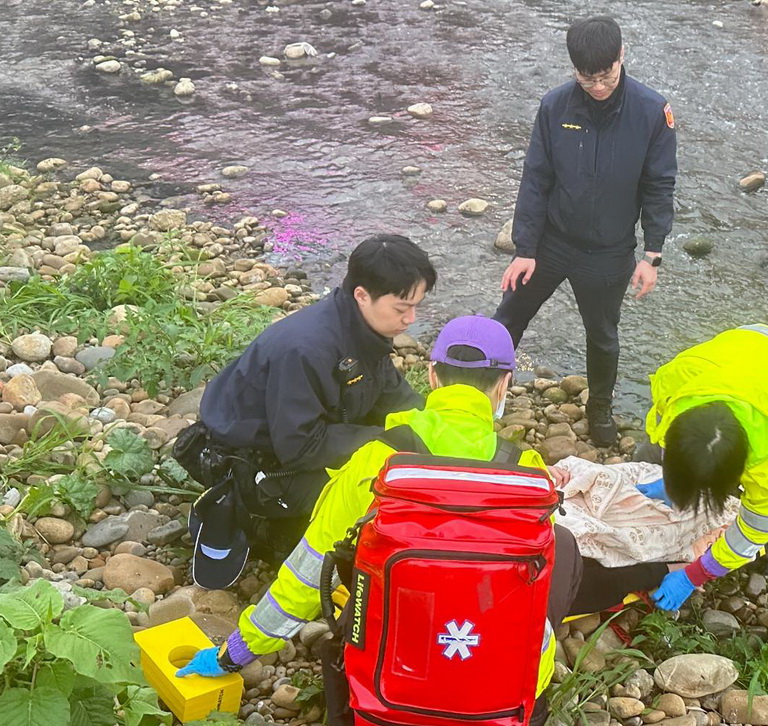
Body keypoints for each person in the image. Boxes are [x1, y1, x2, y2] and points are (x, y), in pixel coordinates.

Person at [176, 316, 667, 725]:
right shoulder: (529, 474)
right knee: (561, 544)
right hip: (502, 703)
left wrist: (232, 655)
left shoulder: (377, 461)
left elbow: (306, 577)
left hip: (386, 698)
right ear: (505, 386)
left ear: (432, 378)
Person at [178, 234, 436, 576]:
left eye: (417, 307)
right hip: (257, 462)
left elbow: (395, 398)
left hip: (300, 438)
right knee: (370, 499)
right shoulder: (306, 348)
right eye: (402, 308)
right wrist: (385, 442)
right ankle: (257, 524)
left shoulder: (364, 330)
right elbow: (299, 446)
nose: (410, 319)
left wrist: (439, 432)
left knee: (411, 467)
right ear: (362, 295)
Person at [493, 15, 678, 448]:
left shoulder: (652, 112)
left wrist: (653, 254)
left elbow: (659, 184)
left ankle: (599, 409)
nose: (596, 86)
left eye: (605, 75)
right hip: (551, 241)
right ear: (573, 69)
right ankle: (485, 394)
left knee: (603, 334)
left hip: (609, 251)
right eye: (586, 77)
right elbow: (536, 178)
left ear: (621, 56)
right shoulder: (555, 106)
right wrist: (525, 247)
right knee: (507, 318)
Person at [645, 324, 768, 626]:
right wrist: (674, 478)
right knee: (644, 455)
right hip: (753, 349)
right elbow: (663, 436)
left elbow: (759, 529)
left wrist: (694, 575)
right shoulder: (676, 387)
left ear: (740, 471)